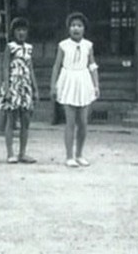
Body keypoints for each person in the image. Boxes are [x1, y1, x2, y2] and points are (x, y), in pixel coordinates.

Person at [50, 12, 100, 168]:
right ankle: (69, 156)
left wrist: (96, 84)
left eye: (79, 26)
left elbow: (92, 65)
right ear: (68, 28)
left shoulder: (88, 45)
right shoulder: (63, 45)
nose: (76, 29)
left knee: (83, 122)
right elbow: (57, 66)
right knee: (70, 122)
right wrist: (53, 85)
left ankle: (79, 154)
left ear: (84, 28)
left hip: (83, 80)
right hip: (68, 80)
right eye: (73, 26)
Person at [0, 17, 39, 164]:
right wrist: (7, 89)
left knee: (25, 121)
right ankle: (10, 153)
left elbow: (30, 69)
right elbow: (5, 68)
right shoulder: (10, 47)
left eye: (24, 30)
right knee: (11, 119)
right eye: (18, 30)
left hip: (25, 86)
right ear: (14, 32)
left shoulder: (29, 48)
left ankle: (22, 153)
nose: (21, 33)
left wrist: (35, 88)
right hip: (13, 85)